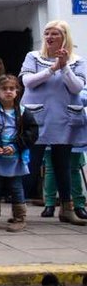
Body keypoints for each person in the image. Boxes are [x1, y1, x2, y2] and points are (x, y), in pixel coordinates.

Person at [19, 20, 87, 226]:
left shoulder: (77, 61)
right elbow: (28, 82)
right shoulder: (34, 57)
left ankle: (67, 208)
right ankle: (18, 209)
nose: (49, 37)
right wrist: (52, 69)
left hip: (64, 118)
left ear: (65, 36)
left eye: (55, 34)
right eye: (47, 33)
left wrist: (64, 67)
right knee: (31, 165)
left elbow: (76, 88)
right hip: (38, 118)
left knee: (63, 165)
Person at [0, 75, 38, 232]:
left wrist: (16, 146)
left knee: (16, 187)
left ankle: (20, 218)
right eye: (4, 89)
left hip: (15, 157)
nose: (8, 92)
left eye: (11, 89)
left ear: (17, 91)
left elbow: (32, 132)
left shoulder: (23, 112)